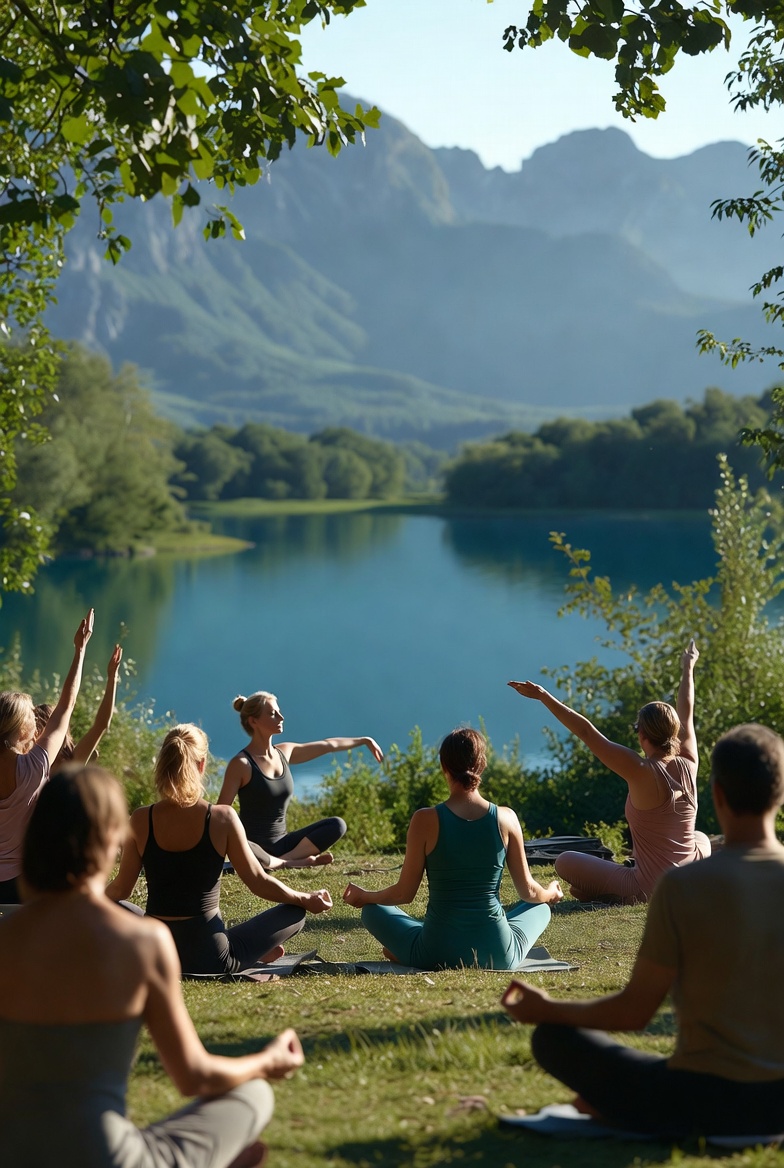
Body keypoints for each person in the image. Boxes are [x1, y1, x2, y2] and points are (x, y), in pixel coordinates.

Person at [0, 765, 303, 1168]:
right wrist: (267, 1062)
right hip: (104, 1155)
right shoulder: (141, 941)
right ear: (112, 839)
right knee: (255, 1094)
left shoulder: (8, 935)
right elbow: (194, 1077)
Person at [502, 722, 784, 1139]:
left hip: (701, 1100)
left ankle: (614, 1107)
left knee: (553, 1039)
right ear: (778, 794)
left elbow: (635, 1012)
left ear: (718, 794)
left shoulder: (685, 886)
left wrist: (549, 1009)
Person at [107, 724, 333, 975]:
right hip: (210, 955)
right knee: (294, 912)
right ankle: (255, 950)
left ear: (163, 764)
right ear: (202, 765)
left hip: (153, 951)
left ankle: (254, 948)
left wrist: (79, 901)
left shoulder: (140, 819)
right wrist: (305, 898)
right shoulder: (222, 818)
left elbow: (120, 889)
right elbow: (257, 881)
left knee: (114, 904)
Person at [508, 639, 710, 904]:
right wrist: (688, 667)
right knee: (701, 837)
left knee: (564, 861)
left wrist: (544, 696)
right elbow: (687, 712)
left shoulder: (639, 769)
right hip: (687, 874)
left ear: (643, 734)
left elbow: (586, 731)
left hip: (651, 886)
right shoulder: (689, 762)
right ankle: (610, 890)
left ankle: (621, 895)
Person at [342, 727, 562, 970]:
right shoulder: (506, 818)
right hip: (498, 953)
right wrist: (550, 892)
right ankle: (409, 949)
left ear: (444, 767)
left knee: (371, 912)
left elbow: (403, 894)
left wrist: (365, 897)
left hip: (435, 951)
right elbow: (530, 892)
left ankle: (407, 951)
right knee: (540, 907)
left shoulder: (424, 820)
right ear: (482, 764)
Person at [218, 690, 384, 865]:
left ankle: (284, 861)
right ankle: (292, 862)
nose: (281, 717)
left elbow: (329, 745)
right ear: (254, 721)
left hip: (284, 845)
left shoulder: (284, 752)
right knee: (239, 841)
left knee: (337, 825)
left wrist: (365, 740)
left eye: (279, 712)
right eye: (273, 714)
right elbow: (220, 814)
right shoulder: (242, 764)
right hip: (253, 848)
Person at [0, 609, 94, 904]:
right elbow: (66, 706)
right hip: (22, 883)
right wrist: (80, 651)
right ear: (26, 729)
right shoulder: (34, 766)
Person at [33, 643, 123, 767]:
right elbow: (100, 725)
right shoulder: (31, 762)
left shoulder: (70, 762)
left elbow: (101, 725)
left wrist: (113, 676)